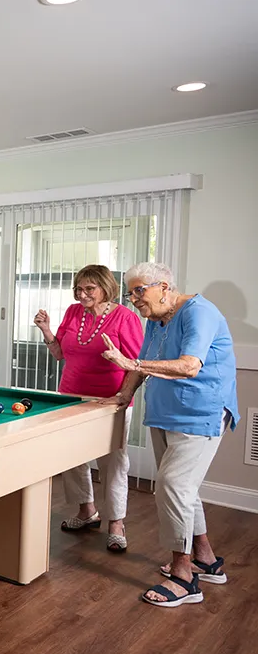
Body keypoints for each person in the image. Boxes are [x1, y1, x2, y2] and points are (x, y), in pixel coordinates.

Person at [99, 261, 239, 608]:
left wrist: (131, 364)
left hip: (200, 413)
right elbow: (143, 361)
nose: (133, 299)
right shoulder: (156, 319)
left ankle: (184, 577)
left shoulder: (199, 313)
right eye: (130, 293)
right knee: (183, 490)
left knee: (173, 486)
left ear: (163, 286)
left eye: (138, 291)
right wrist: (123, 395)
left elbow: (190, 365)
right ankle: (205, 559)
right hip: (165, 413)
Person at [34, 264, 144, 552]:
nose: (82, 294)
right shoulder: (73, 312)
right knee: (73, 457)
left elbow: (136, 365)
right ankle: (87, 511)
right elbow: (59, 353)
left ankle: (116, 523)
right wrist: (46, 330)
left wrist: (123, 396)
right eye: (78, 289)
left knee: (113, 462)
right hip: (71, 397)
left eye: (89, 289)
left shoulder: (125, 318)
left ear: (106, 288)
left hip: (111, 401)